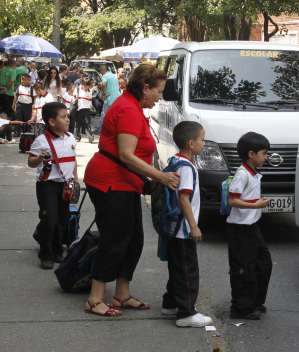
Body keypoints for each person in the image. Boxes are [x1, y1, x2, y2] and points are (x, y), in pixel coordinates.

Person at [81, 64, 179, 317]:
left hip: (125, 183)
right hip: (111, 182)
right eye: (158, 91)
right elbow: (126, 154)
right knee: (115, 240)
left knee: (133, 239)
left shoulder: (133, 106)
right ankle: (95, 298)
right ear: (145, 88)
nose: (160, 96)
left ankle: (122, 294)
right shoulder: (127, 108)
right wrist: (161, 176)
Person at [161, 121, 213, 328]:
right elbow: (184, 199)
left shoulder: (175, 160)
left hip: (173, 228)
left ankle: (171, 303)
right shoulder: (187, 167)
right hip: (183, 229)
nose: (203, 144)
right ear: (191, 143)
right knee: (187, 271)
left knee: (177, 268)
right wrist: (194, 226)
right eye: (202, 140)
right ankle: (187, 313)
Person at [226, 132, 273, 320]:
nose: (266, 157)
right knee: (243, 268)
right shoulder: (242, 174)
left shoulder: (253, 173)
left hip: (253, 227)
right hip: (240, 230)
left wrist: (256, 203)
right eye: (264, 153)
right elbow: (232, 201)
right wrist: (255, 205)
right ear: (251, 154)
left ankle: (254, 300)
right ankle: (240, 308)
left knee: (264, 264)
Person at [27, 102, 77, 270]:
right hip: (47, 185)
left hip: (65, 185)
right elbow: (30, 163)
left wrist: (76, 180)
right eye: (63, 117)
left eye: (67, 116)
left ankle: (57, 251)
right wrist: (39, 159)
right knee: (50, 219)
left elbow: (73, 160)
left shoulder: (70, 137)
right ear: (51, 122)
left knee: (62, 219)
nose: (67, 119)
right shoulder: (41, 141)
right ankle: (46, 255)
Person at [95, 65, 120, 134]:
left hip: (109, 98)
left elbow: (103, 84)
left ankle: (99, 129)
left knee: (104, 114)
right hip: (117, 97)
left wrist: (104, 93)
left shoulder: (105, 76)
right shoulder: (114, 76)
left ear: (102, 70)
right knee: (114, 115)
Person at [73, 78, 95, 143]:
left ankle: (90, 136)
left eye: (88, 86)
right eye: (85, 86)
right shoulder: (78, 89)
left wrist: (91, 106)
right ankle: (77, 137)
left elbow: (90, 100)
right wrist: (74, 100)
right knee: (78, 123)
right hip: (79, 109)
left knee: (87, 123)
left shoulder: (90, 91)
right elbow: (74, 96)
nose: (86, 88)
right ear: (82, 84)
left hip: (87, 109)